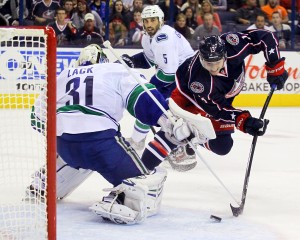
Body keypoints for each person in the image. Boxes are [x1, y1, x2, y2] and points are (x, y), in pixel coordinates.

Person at [29, 44, 210, 224]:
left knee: (76, 152)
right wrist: (169, 123)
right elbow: (142, 98)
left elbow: (36, 118)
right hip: (102, 145)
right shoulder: (114, 69)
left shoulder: (62, 76)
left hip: (65, 145)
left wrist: (64, 137)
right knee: (147, 182)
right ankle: (121, 198)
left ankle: (46, 180)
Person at [168, 32, 288, 159]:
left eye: (217, 63)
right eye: (209, 63)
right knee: (173, 128)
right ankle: (170, 146)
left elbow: (265, 37)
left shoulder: (233, 46)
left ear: (224, 56)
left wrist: (275, 67)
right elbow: (218, 109)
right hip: (188, 97)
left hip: (217, 97)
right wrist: (244, 121)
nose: (214, 68)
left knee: (222, 146)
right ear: (202, 59)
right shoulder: (199, 80)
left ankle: (192, 139)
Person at [119, 5, 196, 170]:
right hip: (176, 75)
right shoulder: (148, 37)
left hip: (187, 76)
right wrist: (133, 61)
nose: (149, 24)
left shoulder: (164, 38)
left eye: (153, 20)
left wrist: (150, 86)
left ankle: (184, 148)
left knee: (157, 105)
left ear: (160, 20)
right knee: (150, 104)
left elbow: (169, 72)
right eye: (146, 21)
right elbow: (150, 59)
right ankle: (138, 140)